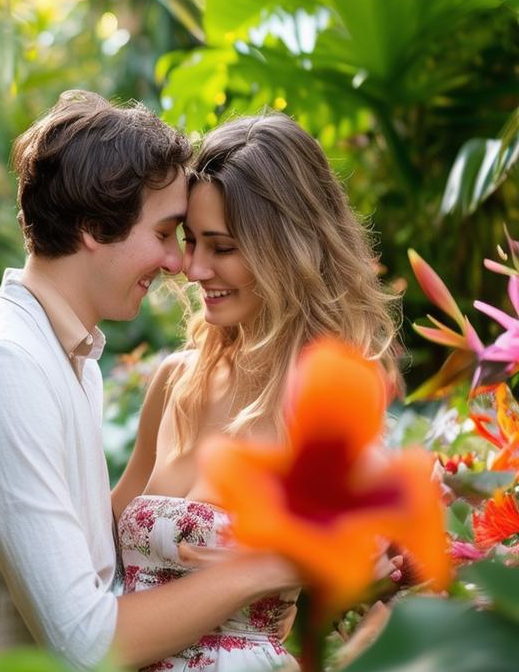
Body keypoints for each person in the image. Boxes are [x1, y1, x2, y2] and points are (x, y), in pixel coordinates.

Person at [0, 92, 299, 671]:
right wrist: (264, 568)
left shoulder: (71, 359)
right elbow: (85, 644)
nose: (179, 263)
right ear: (96, 228)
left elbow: (106, 568)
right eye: (166, 233)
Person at [110, 112, 401, 671]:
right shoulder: (175, 382)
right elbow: (96, 557)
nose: (193, 268)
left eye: (221, 247)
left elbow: (381, 586)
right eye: (191, 242)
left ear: (286, 250)